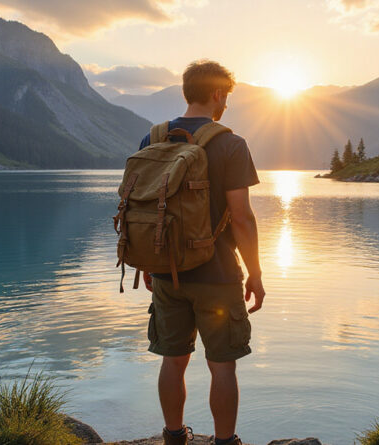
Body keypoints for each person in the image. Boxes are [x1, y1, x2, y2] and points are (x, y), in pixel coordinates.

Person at [138, 60, 265, 445]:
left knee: (172, 361)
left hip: (165, 270)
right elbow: (241, 218)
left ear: (185, 92)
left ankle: (174, 436)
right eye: (226, 94)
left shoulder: (152, 138)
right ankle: (225, 442)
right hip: (217, 274)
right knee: (222, 366)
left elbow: (142, 207)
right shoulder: (230, 144)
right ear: (217, 94)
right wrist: (255, 273)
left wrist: (148, 259)